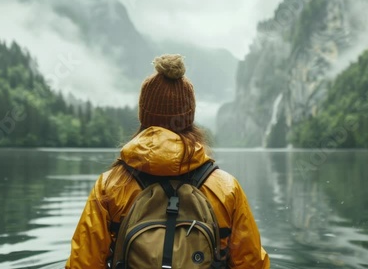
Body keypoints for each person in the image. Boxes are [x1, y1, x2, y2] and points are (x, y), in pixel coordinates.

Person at [65, 54, 270, 269]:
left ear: (144, 117)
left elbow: (83, 264)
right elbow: (252, 263)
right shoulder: (226, 188)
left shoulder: (110, 185)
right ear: (189, 118)